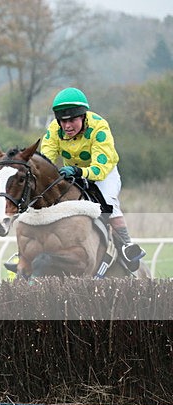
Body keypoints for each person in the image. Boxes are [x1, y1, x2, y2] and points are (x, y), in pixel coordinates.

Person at [41, 87, 145, 272]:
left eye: (72, 120)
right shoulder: (54, 130)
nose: (67, 126)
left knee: (108, 201)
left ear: (83, 116)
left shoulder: (99, 127)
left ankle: (127, 246)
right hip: (73, 173)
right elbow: (45, 161)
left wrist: (77, 171)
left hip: (103, 173)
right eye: (62, 121)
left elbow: (99, 169)